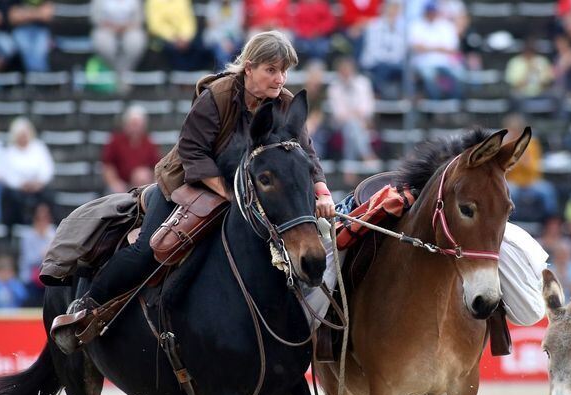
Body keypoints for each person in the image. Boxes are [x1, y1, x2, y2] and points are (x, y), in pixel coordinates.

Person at [52, 31, 334, 351]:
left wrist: (321, 190)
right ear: (249, 68)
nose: (280, 78)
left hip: (249, 192)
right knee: (152, 247)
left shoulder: (284, 102)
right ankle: (88, 306)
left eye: (284, 71)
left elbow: (306, 154)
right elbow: (192, 152)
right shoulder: (218, 95)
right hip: (189, 183)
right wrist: (228, 192)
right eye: (272, 70)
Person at [327, 56, 377, 186]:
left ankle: (349, 169)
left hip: (363, 123)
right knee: (351, 126)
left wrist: (356, 115)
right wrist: (354, 114)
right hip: (341, 124)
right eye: (343, 70)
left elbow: (368, 108)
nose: (346, 73)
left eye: (348, 70)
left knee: (352, 130)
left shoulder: (363, 83)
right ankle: (367, 154)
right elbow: (339, 114)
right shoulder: (334, 87)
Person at [1, 116, 54, 226]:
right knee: (10, 198)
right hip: (19, 190)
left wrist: (39, 183)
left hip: (38, 188)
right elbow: (6, 175)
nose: (23, 137)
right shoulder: (9, 152)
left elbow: (47, 169)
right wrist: (20, 184)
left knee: (50, 196)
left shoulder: (39, 147)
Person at [408, 0, 463, 99]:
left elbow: (452, 49)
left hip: (444, 63)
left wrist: (428, 48)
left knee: (459, 75)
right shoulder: (417, 25)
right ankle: (435, 105)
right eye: (429, 11)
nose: (431, 14)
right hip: (424, 63)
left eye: (433, 11)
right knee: (429, 77)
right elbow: (416, 47)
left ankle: (455, 105)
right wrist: (438, 48)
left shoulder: (445, 26)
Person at [101, 105, 160, 194]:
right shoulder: (115, 141)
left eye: (138, 125)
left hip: (143, 185)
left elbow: (157, 166)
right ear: (126, 124)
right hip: (122, 185)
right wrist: (114, 183)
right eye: (133, 124)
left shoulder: (149, 142)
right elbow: (107, 166)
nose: (135, 128)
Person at [90, 0, 146, 86]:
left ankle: (122, 75)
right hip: (106, 28)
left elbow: (139, 18)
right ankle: (119, 76)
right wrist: (111, 26)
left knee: (136, 41)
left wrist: (126, 27)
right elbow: (95, 17)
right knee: (103, 42)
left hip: (129, 28)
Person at [359, 0, 405, 98]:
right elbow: (374, 51)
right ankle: (383, 97)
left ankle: (400, 99)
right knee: (383, 69)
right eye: (392, 8)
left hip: (393, 64)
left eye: (397, 9)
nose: (394, 12)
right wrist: (390, 60)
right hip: (374, 64)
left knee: (406, 71)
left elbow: (400, 52)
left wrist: (392, 60)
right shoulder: (374, 25)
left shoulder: (401, 29)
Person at [145, 0, 208, 71]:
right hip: (163, 38)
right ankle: (179, 77)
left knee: (200, 47)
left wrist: (185, 37)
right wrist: (174, 37)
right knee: (170, 50)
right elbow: (155, 26)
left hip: (184, 38)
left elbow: (188, 21)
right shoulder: (153, 2)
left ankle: (191, 76)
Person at [8, 0, 53, 72]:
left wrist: (25, 13)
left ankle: (36, 78)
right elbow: (13, 18)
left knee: (39, 50)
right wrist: (37, 13)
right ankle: (35, 78)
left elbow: (46, 16)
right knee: (25, 47)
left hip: (40, 30)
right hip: (21, 30)